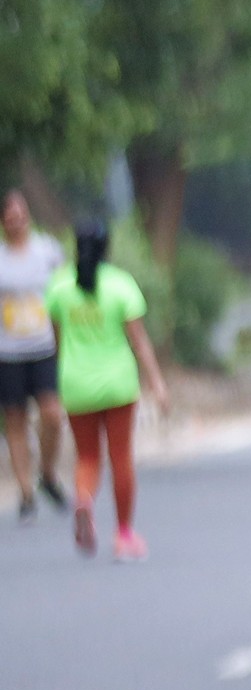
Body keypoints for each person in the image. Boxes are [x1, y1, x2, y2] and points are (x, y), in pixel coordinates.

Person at [47, 223, 163, 560]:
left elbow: (56, 340)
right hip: (117, 384)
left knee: (87, 456)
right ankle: (124, 534)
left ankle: (84, 500)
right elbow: (139, 341)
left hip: (76, 383)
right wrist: (156, 382)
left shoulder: (59, 286)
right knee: (120, 456)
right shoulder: (120, 285)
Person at [0, 192, 67, 521]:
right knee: (15, 419)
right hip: (9, 350)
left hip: (44, 346)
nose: (16, 221)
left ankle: (47, 472)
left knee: (52, 414)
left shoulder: (48, 251)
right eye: (9, 216)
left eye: (20, 214)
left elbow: (65, 292)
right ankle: (25, 492)